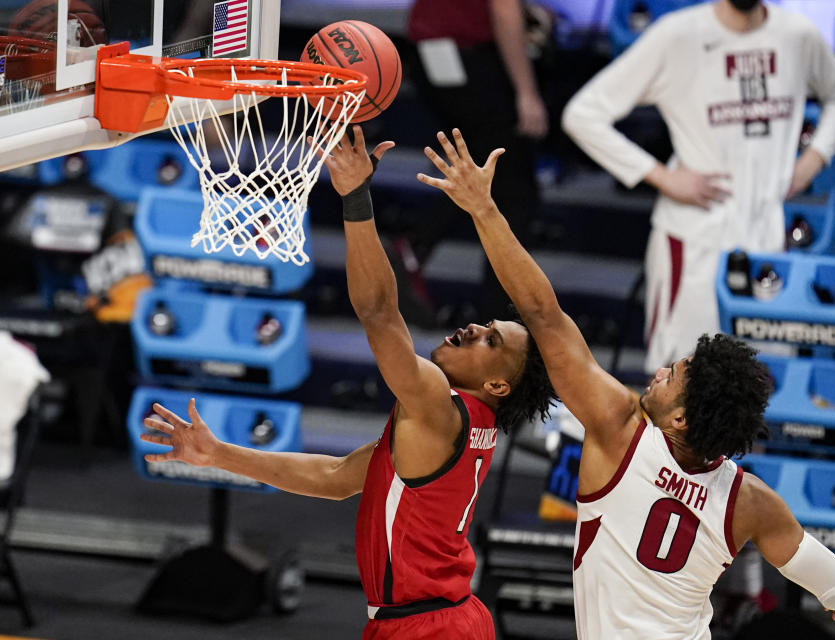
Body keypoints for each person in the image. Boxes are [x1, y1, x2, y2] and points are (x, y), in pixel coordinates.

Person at [415, 128, 835, 638]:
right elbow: (821, 571)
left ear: (680, 419)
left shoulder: (620, 429)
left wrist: (484, 210)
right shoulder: (751, 501)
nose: (658, 372)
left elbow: (542, 313)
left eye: (672, 376)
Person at [138, 126, 556, 639]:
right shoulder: (461, 424)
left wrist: (356, 196)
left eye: (490, 342)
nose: (474, 329)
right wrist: (218, 454)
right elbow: (337, 476)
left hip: (427, 627)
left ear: (497, 386)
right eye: (487, 327)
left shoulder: (437, 408)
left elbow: (380, 313)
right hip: (442, 620)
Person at [561, 0, 835, 374]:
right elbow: (583, 113)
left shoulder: (796, 34)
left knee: (762, 385)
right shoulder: (678, 34)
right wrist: (660, 176)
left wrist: (814, 158)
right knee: (680, 384)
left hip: (768, 242)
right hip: (694, 241)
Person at [406, 0, 548, 321]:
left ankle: (413, 248)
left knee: (492, 180)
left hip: (430, 53)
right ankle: (497, 320)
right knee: (512, 192)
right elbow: (503, 10)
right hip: (468, 57)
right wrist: (527, 92)